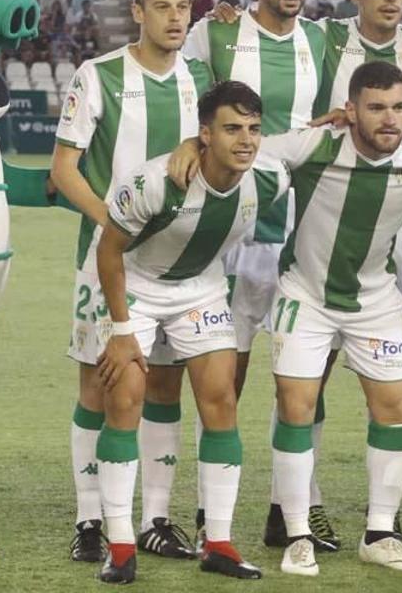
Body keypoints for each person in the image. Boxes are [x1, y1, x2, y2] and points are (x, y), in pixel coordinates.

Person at [171, 61, 402, 576]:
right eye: (376, 108)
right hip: (304, 295)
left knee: (394, 408)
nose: (390, 120)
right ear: (350, 111)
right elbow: (241, 147)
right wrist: (189, 145)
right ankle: (297, 536)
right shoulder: (315, 145)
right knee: (297, 407)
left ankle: (379, 533)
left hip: (374, 298)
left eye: (399, 108)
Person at [181, 0, 340, 549]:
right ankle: (205, 515)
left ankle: (288, 509)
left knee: (305, 378)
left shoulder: (324, 40)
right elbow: (179, 96)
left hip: (305, 231)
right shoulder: (216, 36)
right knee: (226, 378)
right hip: (234, 234)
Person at [89, 82, 284, 583]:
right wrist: (121, 329)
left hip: (199, 290)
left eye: (254, 129)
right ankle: (121, 546)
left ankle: (217, 541)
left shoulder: (268, 178)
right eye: (232, 129)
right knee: (126, 399)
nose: (246, 140)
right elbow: (108, 251)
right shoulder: (156, 181)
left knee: (221, 400)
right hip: (135, 285)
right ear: (204, 134)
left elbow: (300, 144)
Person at [52, 0, 212, 565]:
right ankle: (90, 517)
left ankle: (157, 518)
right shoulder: (99, 76)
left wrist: (196, 143)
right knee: (101, 383)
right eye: (163, 7)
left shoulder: (201, 78)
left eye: (184, 8)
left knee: (165, 386)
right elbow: (62, 171)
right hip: (107, 258)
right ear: (138, 11)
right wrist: (113, 224)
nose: (176, 18)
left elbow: (221, 140)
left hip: (178, 263)